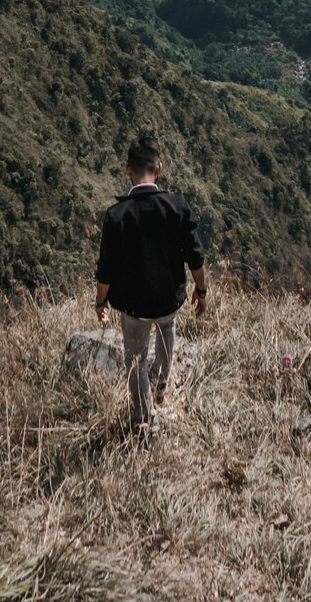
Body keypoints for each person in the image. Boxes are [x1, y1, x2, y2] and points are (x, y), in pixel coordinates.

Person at [94, 134, 207, 432]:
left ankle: (144, 419)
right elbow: (196, 256)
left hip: (133, 308)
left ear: (127, 170)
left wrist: (101, 302)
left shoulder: (116, 216)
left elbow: (105, 270)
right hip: (168, 301)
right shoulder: (177, 207)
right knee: (167, 329)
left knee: (135, 360)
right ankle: (161, 384)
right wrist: (201, 291)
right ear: (158, 168)